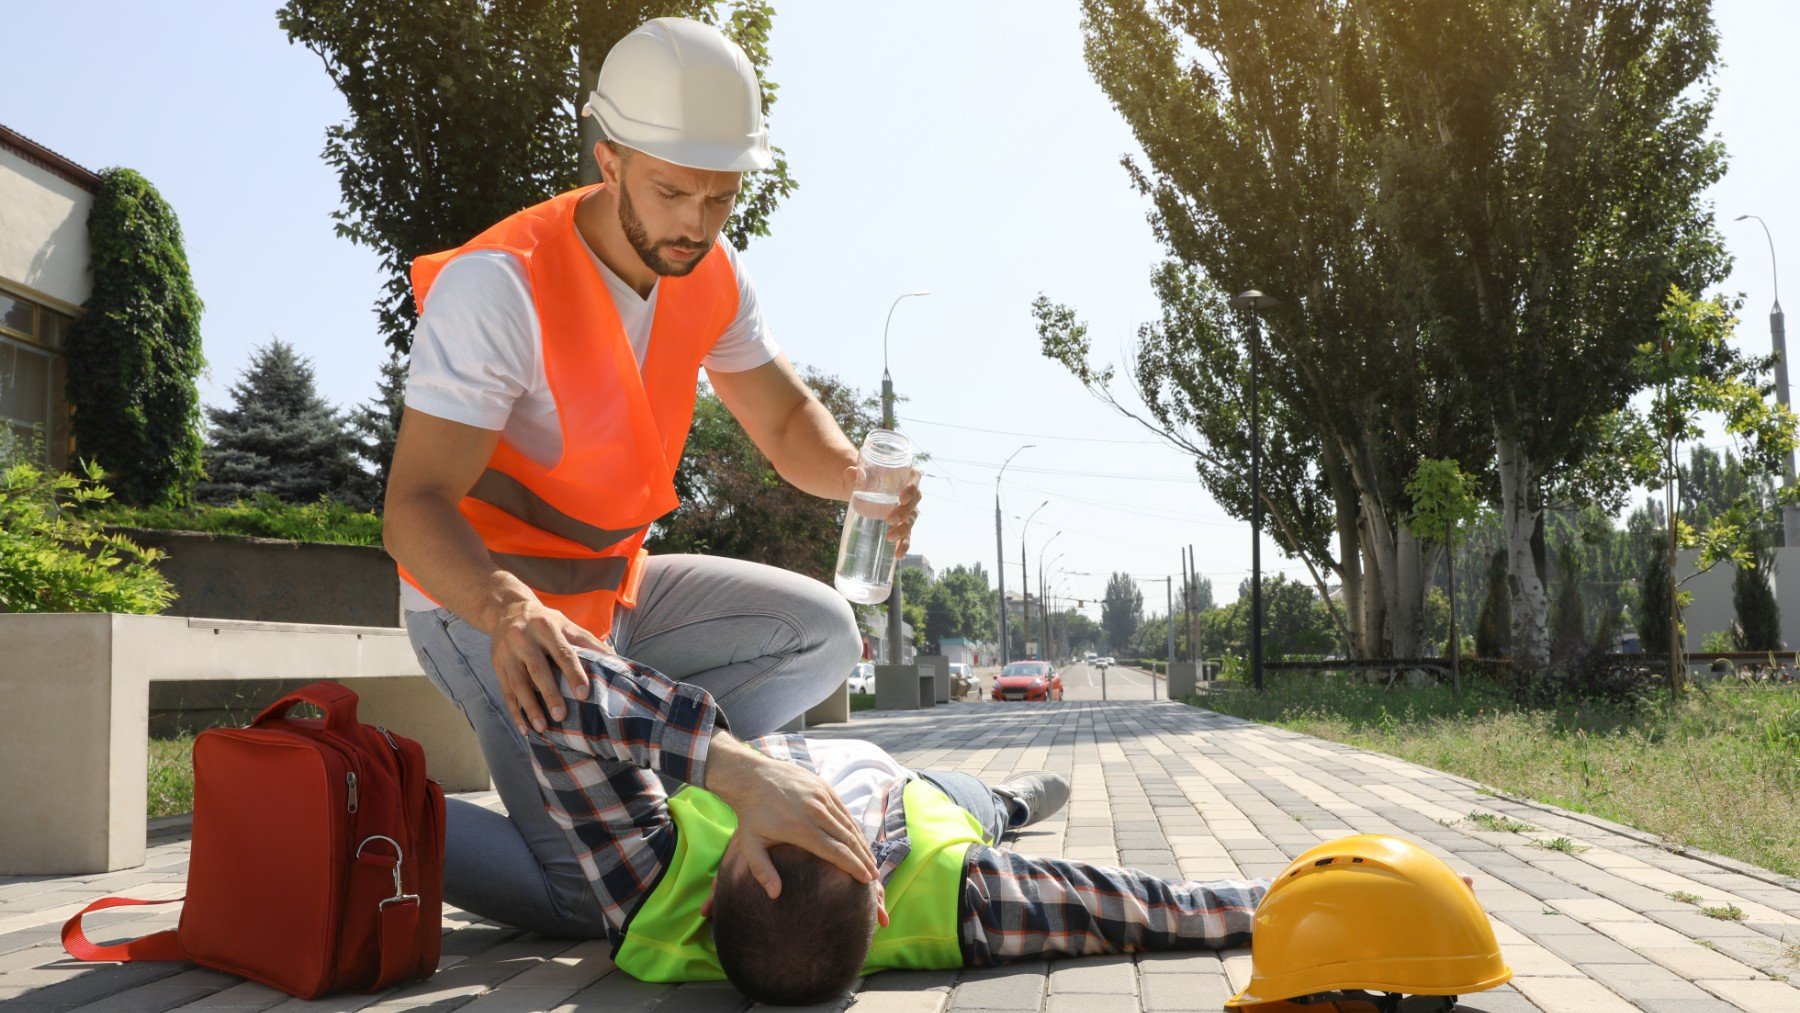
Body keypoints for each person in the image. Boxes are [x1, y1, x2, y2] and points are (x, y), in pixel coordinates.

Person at [385, 17, 915, 934]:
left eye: (721, 198)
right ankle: (366, 811)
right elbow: (414, 506)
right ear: (610, 159)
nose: (694, 224)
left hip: (614, 598)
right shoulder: (500, 286)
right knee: (601, 895)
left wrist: (856, 477)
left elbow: (786, 420)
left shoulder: (711, 273)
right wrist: (509, 610)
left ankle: (656, 774)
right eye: (672, 191)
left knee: (827, 634)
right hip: (484, 604)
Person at [528, 648, 1271, 1006]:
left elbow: (558, 691)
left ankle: (1009, 800)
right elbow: (1133, 907)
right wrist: (1274, 900)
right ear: (882, 909)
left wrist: (737, 774)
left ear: (708, 903)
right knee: (983, 807)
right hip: (920, 796)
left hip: (769, 749)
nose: (804, 810)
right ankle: (1012, 801)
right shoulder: (965, 894)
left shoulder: (652, 894)